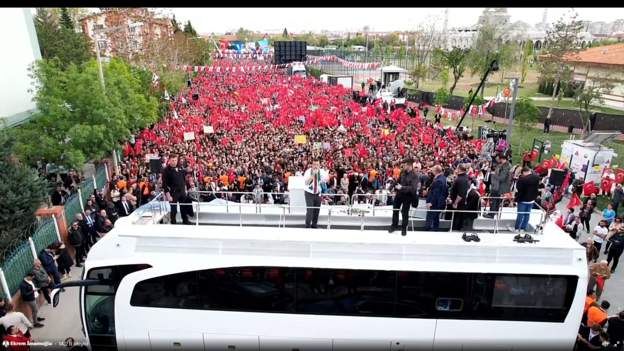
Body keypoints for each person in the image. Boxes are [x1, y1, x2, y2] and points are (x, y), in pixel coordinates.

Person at [389, 158, 419, 236]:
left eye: (404, 165)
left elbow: (413, 188)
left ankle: (404, 228)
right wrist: (390, 187)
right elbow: (397, 181)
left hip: (407, 197)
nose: (403, 166)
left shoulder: (415, 176)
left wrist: (402, 187)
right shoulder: (403, 172)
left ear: (409, 165)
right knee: (395, 210)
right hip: (399, 195)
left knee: (405, 213)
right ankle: (394, 226)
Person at [162, 155, 190, 225]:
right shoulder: (166, 170)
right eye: (172, 160)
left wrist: (185, 189)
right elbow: (164, 185)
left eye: (175, 160)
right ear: (169, 161)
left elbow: (183, 179)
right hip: (173, 193)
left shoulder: (180, 167)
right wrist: (168, 195)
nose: (174, 162)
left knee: (184, 207)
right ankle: (173, 222)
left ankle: (185, 221)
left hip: (182, 191)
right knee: (174, 209)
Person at [303, 159, 328, 229]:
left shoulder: (322, 172)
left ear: (319, 165)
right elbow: (306, 183)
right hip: (309, 193)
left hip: (318, 193)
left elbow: (326, 179)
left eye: (317, 164)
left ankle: (314, 225)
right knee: (310, 210)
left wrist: (324, 179)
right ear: (312, 165)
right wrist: (313, 175)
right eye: (314, 164)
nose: (315, 166)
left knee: (317, 210)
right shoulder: (308, 172)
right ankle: (307, 226)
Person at [514, 167, 540, 233]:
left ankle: (517, 228)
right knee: (527, 214)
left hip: (523, 200)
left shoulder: (522, 179)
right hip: (531, 200)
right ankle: (523, 228)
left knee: (520, 214)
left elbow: (518, 188)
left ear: (524, 172)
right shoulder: (537, 177)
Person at [425, 165, 448, 231]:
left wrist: (431, 203)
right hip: (439, 203)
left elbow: (436, 193)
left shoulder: (439, 180)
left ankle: (430, 233)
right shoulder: (443, 178)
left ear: (436, 171)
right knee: (435, 219)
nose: (431, 171)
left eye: (432, 170)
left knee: (431, 220)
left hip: (435, 204)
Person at [449, 163, 471, 231]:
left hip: (458, 203)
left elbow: (461, 194)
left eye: (457, 168)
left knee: (456, 219)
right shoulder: (465, 177)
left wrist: (455, 203)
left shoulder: (461, 179)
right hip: (460, 202)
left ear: (459, 169)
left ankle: (455, 231)